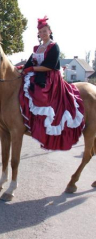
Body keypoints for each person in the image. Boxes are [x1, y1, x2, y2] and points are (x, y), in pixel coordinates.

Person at [19, 16, 85, 150]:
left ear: (50, 31)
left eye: (45, 31)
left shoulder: (54, 46)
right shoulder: (38, 48)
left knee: (39, 93)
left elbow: (50, 66)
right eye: (40, 32)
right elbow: (30, 63)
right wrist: (21, 68)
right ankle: (26, 120)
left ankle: (41, 124)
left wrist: (31, 69)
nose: (42, 33)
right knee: (22, 87)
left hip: (50, 77)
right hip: (38, 74)